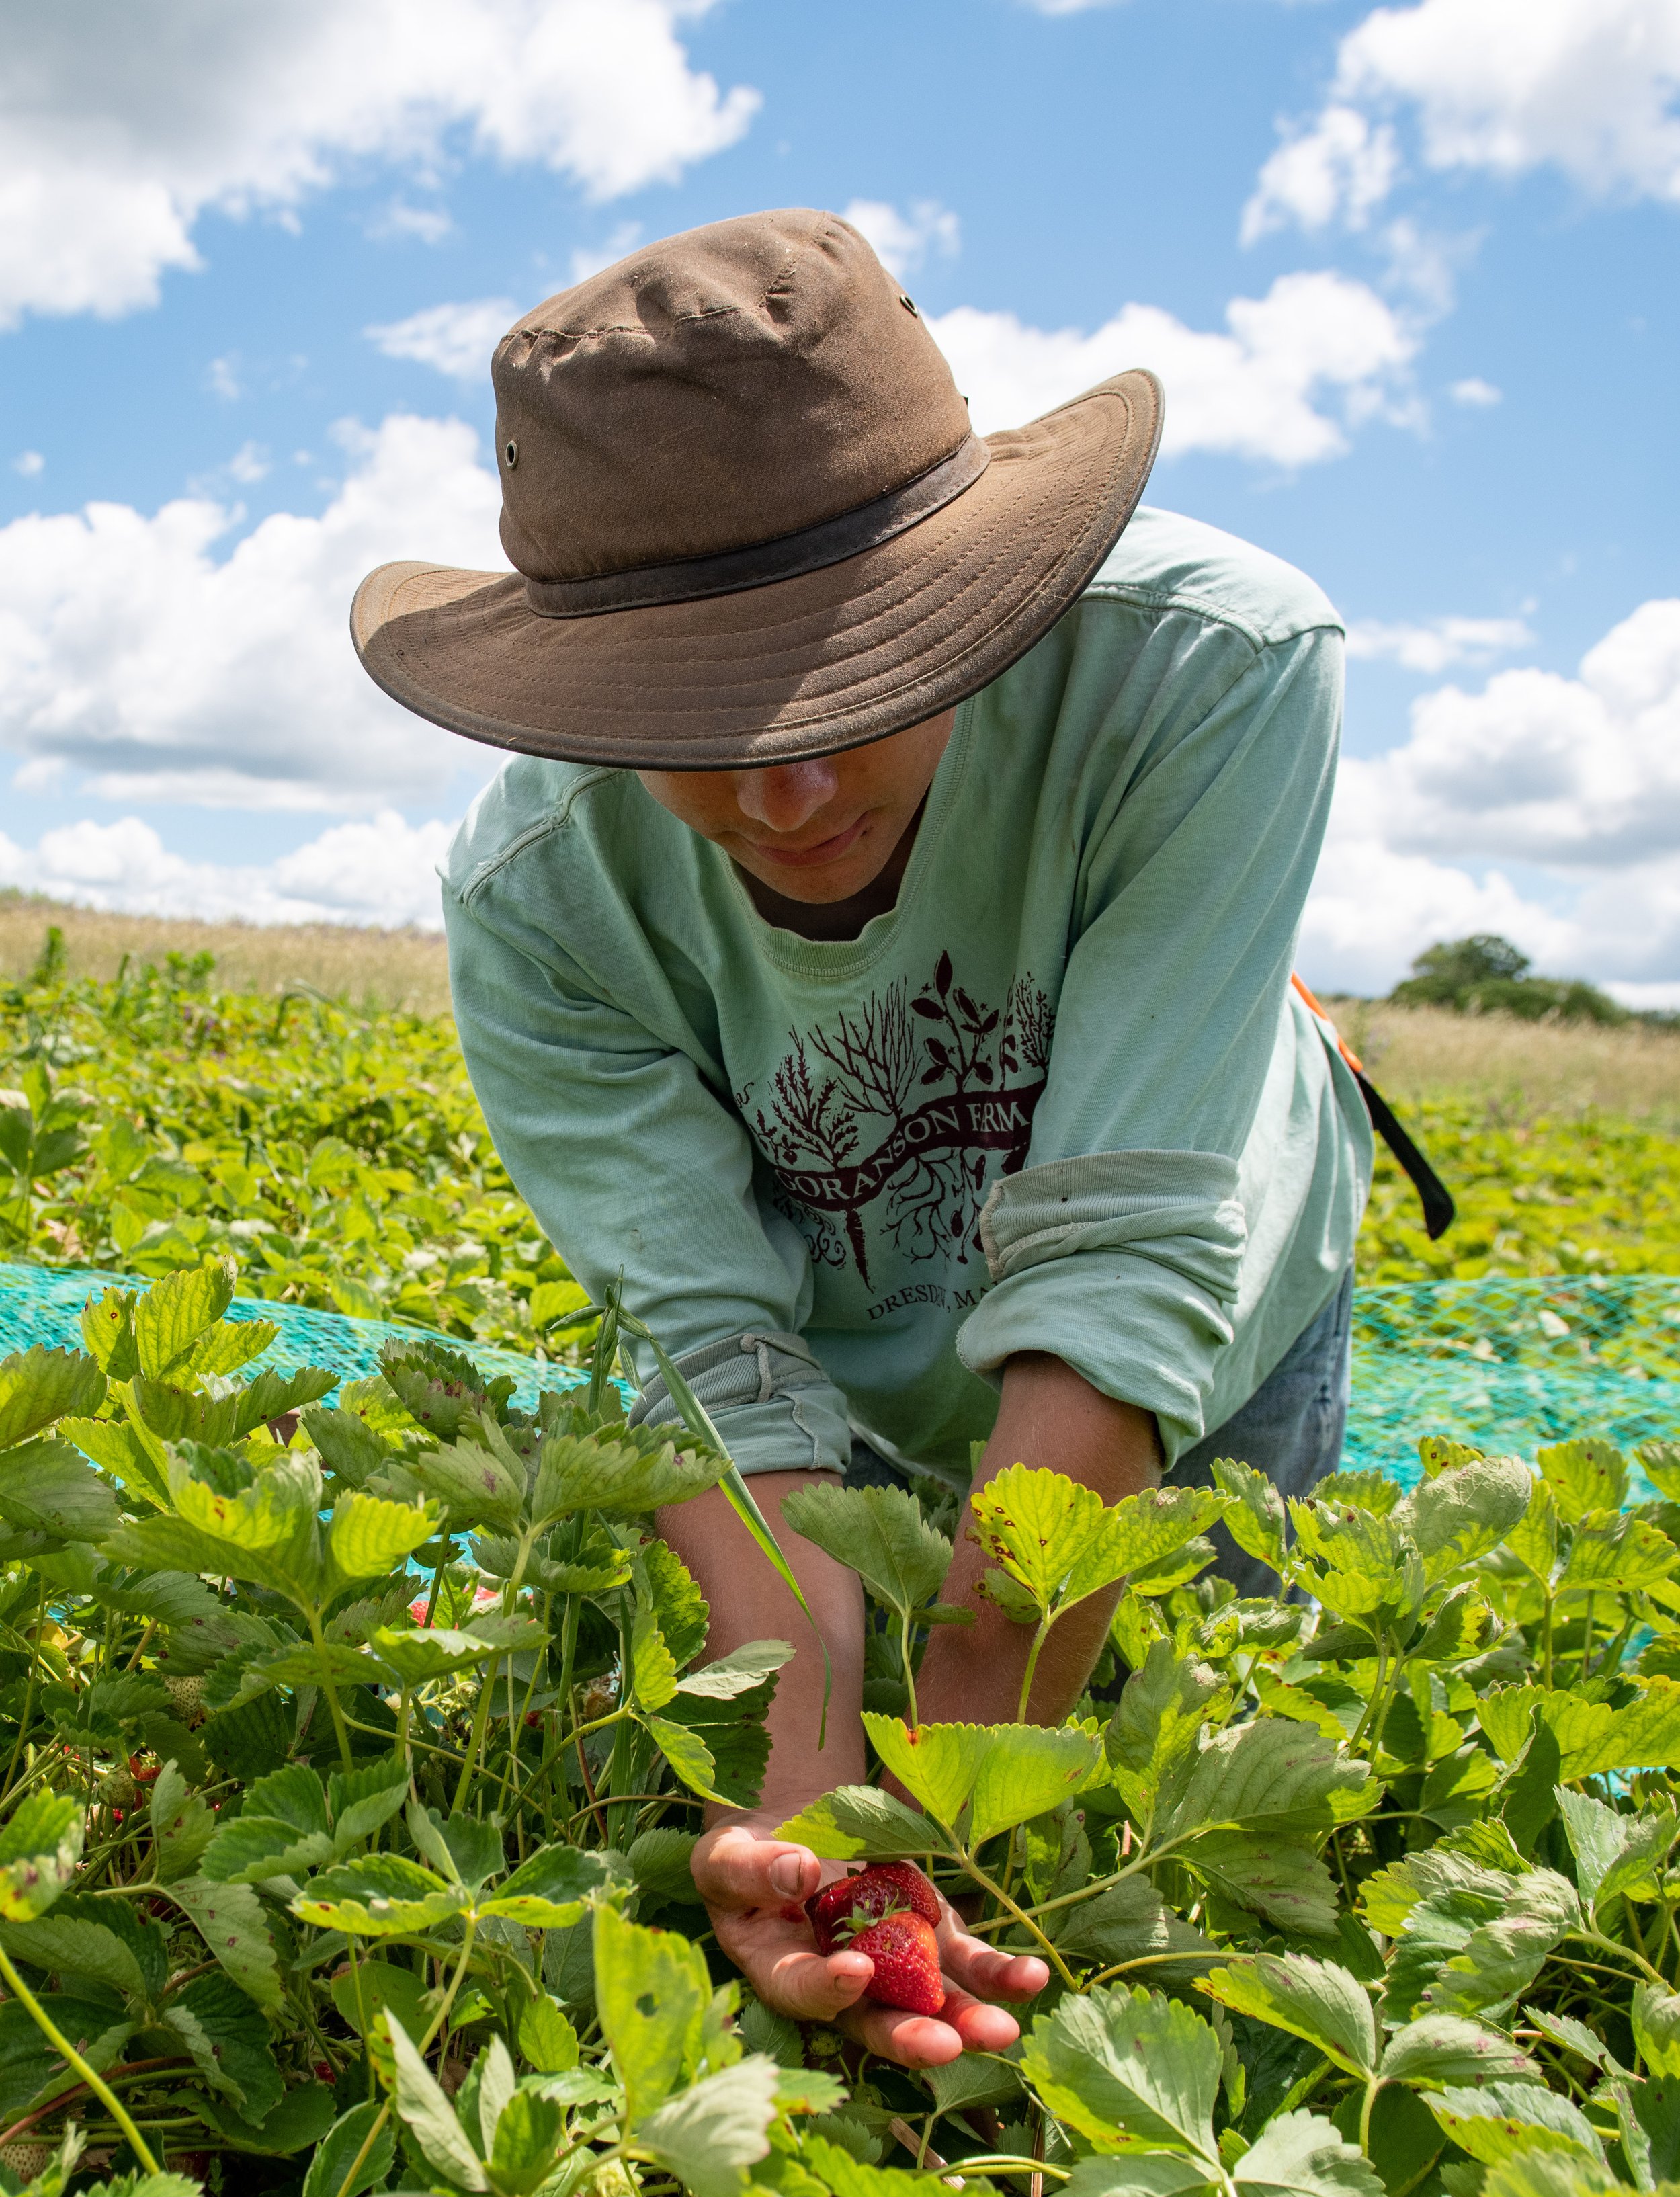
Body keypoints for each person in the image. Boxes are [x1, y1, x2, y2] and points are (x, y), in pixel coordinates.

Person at [350, 208, 1371, 2069]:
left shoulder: (1205, 669)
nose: (787, 791)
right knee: (886, 1674)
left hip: (1212, 1307)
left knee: (1150, 1781)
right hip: (843, 1320)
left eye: (859, 676)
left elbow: (1136, 1247)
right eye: (697, 721)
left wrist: (952, 1775)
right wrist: (814, 1784)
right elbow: (707, 1339)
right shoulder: (538, 894)